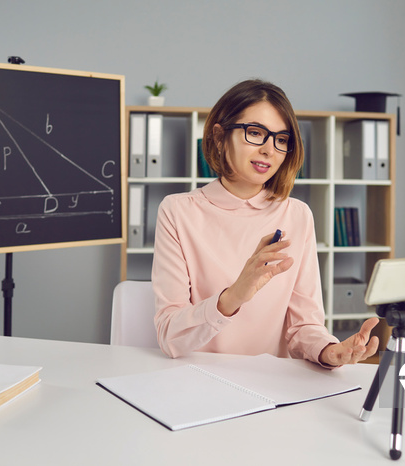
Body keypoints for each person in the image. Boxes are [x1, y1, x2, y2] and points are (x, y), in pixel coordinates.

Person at [151, 79, 379, 368]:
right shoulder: (178, 211)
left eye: (281, 139)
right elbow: (170, 336)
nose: (269, 150)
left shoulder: (297, 215)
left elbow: (303, 326)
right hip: (198, 379)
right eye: (255, 133)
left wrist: (328, 351)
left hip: (271, 385)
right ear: (220, 137)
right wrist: (233, 296)